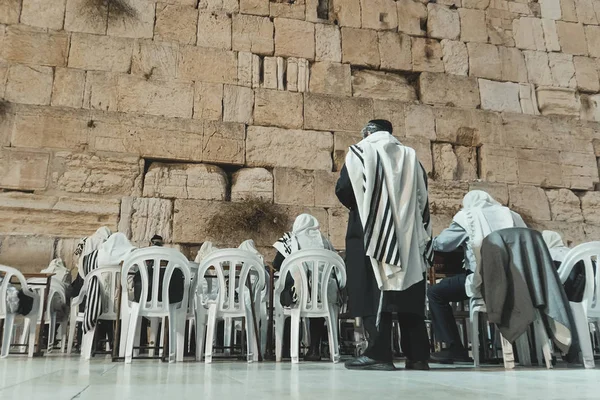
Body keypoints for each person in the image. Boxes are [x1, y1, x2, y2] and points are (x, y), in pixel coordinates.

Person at [336, 120, 433, 371]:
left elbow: (345, 189)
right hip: (409, 235)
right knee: (409, 293)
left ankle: (378, 353)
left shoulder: (360, 151)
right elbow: (423, 197)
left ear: (368, 132)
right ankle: (417, 356)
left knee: (372, 289)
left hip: (370, 232)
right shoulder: (411, 156)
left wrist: (368, 205)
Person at [428, 191, 526, 364]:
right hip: (517, 282)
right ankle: (525, 350)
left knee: (436, 293)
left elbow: (443, 243)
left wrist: (428, 241)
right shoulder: (513, 216)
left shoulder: (468, 217)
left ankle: (454, 348)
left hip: (486, 281)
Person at [272, 213, 337, 362]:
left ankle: (288, 349)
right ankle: (314, 349)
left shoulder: (290, 240)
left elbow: (276, 264)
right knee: (317, 302)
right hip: (324, 295)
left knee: (288, 299)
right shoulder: (325, 242)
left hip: (297, 294)